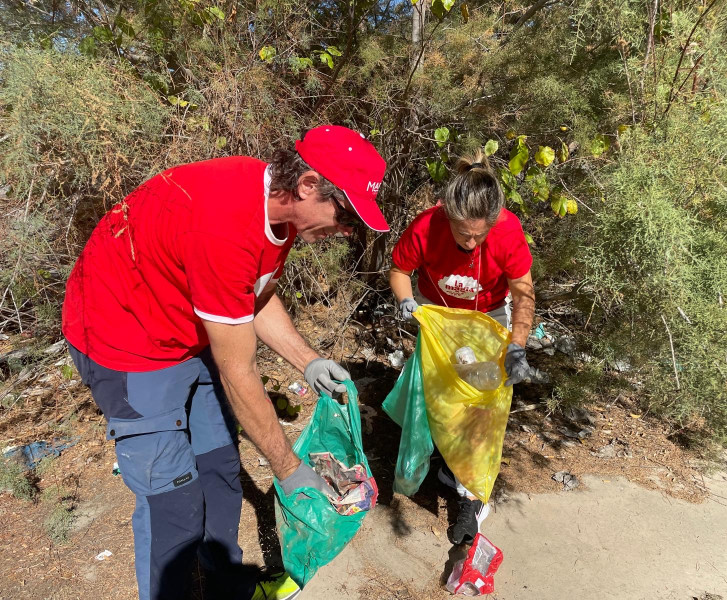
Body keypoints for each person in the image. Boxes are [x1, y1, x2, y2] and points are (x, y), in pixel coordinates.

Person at [61, 125, 388, 600]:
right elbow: (238, 371)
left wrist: (308, 360)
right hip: (125, 344)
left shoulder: (279, 214)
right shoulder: (225, 223)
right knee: (173, 506)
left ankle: (229, 588)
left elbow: (255, 293)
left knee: (218, 474)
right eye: (346, 213)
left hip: (185, 335)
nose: (347, 229)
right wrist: (289, 469)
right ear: (308, 185)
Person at [389, 150, 535, 546]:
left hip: (487, 321)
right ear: (446, 216)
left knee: (481, 404)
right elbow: (400, 270)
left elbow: (523, 294)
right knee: (440, 395)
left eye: (478, 234)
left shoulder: (506, 230)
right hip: (438, 319)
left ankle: (469, 495)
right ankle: (442, 461)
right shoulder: (426, 226)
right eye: (462, 233)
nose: (471, 242)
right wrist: (406, 301)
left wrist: (517, 345)